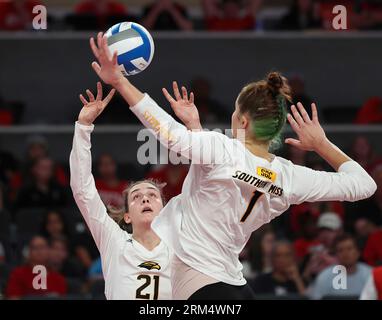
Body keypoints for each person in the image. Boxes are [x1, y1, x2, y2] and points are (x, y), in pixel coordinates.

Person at [89, 32, 377, 300]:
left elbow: (168, 133)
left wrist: (119, 82)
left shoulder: (222, 148)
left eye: (235, 111)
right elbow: (365, 185)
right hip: (234, 287)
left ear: (243, 121)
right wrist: (321, 144)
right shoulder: (290, 177)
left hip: (202, 286)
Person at [70, 82, 200, 300]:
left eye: (152, 195)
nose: (145, 199)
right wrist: (83, 126)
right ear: (127, 215)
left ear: (164, 208)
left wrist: (194, 127)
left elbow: (203, 185)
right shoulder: (114, 241)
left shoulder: (182, 246)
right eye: (137, 197)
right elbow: (82, 190)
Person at [310, 234, 371, 300]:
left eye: (349, 249)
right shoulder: (325, 277)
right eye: (340, 250)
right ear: (336, 255)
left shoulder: (370, 274)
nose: (345, 253)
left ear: (358, 252)